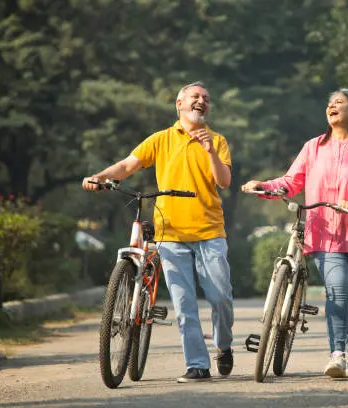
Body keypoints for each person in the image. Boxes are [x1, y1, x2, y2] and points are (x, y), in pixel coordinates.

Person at [82, 81, 234, 383]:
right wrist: (100, 177)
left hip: (209, 231)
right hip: (170, 234)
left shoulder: (216, 140)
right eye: (195, 97)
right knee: (184, 303)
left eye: (206, 98)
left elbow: (225, 181)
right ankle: (197, 365)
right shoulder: (161, 139)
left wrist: (209, 152)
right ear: (179, 104)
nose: (201, 101)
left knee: (220, 298)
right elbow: (128, 165)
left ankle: (224, 346)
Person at [242, 88, 348, 379]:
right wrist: (264, 187)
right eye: (329, 102)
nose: (332, 106)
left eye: (340, 103)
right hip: (324, 234)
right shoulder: (313, 147)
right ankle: (337, 354)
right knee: (338, 292)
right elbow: (291, 182)